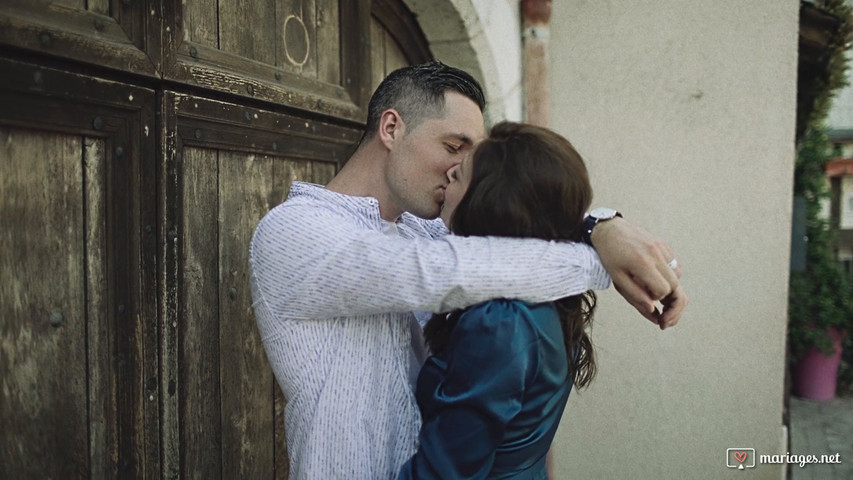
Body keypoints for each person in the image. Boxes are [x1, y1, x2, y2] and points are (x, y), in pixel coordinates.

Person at [249, 61, 687, 479]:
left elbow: (522, 227)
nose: (460, 167)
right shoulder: (294, 230)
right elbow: (440, 273)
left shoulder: (428, 229)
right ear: (391, 128)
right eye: (453, 146)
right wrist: (599, 251)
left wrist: (600, 225)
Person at [398, 121, 601, 479]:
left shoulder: (501, 321)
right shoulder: (546, 290)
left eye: (458, 175)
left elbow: (446, 471)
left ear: (488, 201)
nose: (447, 174)